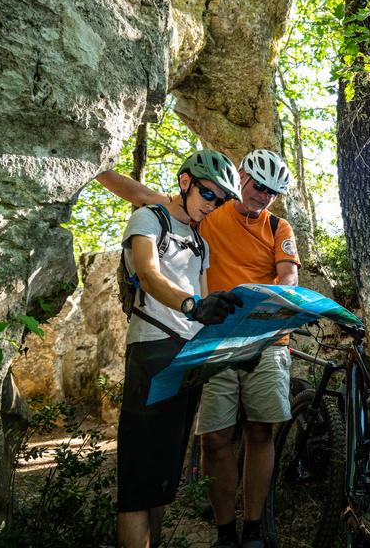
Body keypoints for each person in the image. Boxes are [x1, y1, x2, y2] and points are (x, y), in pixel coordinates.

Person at [98, 148, 300, 548]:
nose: (263, 196)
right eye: (258, 186)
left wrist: (276, 305)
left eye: (273, 192)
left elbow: (289, 276)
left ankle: (255, 530)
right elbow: (145, 198)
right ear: (241, 177)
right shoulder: (205, 210)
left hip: (262, 340)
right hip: (205, 342)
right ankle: (225, 533)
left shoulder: (277, 227)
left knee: (261, 432)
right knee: (213, 438)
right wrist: (92, 166)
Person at [116, 150, 245, 548]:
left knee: (161, 480)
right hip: (153, 352)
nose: (213, 205)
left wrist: (240, 338)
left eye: (221, 201)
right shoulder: (149, 219)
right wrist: (191, 305)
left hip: (187, 359)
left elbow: (205, 305)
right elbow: (149, 274)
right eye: (209, 194)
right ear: (185, 181)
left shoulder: (199, 242)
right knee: (138, 483)